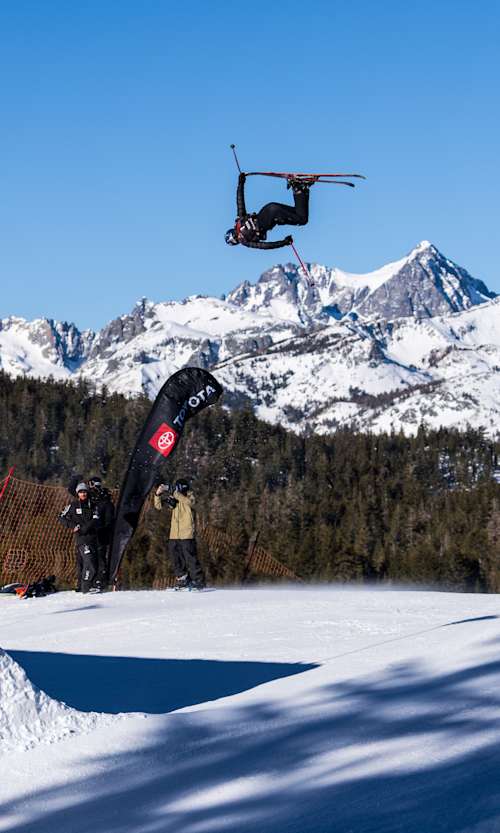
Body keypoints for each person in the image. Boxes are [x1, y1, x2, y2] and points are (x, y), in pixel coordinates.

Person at [225, 172, 314, 249]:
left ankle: (297, 187)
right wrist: (241, 182)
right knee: (298, 214)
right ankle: (300, 187)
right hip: (269, 208)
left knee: (302, 219)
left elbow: (265, 246)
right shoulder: (240, 220)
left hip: (275, 215)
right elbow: (240, 201)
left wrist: (284, 242)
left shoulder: (245, 241)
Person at [154, 478, 206, 590]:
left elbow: (189, 503)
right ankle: (182, 579)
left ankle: (198, 580)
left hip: (186, 533)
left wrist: (174, 493)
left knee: (190, 557)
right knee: (175, 557)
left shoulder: (190, 496)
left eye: (177, 488)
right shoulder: (176, 497)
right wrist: (158, 494)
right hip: (174, 534)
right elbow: (158, 506)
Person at [59, 482, 102, 593]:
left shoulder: (93, 505)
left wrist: (84, 528)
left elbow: (96, 519)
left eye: (84, 492)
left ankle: (85, 586)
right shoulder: (73, 505)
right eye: (81, 492)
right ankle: (86, 587)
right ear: (77, 493)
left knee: (90, 564)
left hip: (93, 539)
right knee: (89, 562)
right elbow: (61, 517)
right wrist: (73, 526)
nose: (83, 494)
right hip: (81, 540)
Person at [87, 475, 115, 589]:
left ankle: (100, 581)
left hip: (100, 534)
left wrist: (100, 529)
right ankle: (93, 580)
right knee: (92, 558)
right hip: (92, 534)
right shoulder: (92, 499)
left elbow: (108, 520)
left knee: (99, 557)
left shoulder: (104, 501)